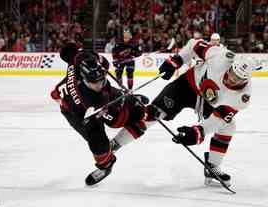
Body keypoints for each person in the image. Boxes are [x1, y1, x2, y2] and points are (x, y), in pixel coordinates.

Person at [146, 38, 253, 186]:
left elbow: (220, 117)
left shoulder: (243, 97)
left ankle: (212, 166)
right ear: (231, 66)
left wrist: (199, 132)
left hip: (210, 103)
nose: (232, 80)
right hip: (188, 86)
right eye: (232, 74)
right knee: (153, 113)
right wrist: (177, 60)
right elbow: (193, 45)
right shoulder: (220, 57)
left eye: (238, 80)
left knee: (228, 126)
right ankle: (112, 147)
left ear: (246, 81)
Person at [50, 42, 152, 186]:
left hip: (77, 95)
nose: (99, 85)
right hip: (77, 113)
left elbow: (73, 53)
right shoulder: (89, 101)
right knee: (98, 142)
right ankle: (106, 165)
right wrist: (136, 111)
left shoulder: (82, 57)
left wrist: (100, 62)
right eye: (95, 83)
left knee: (117, 99)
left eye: (101, 80)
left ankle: (114, 144)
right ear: (85, 80)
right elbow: (115, 121)